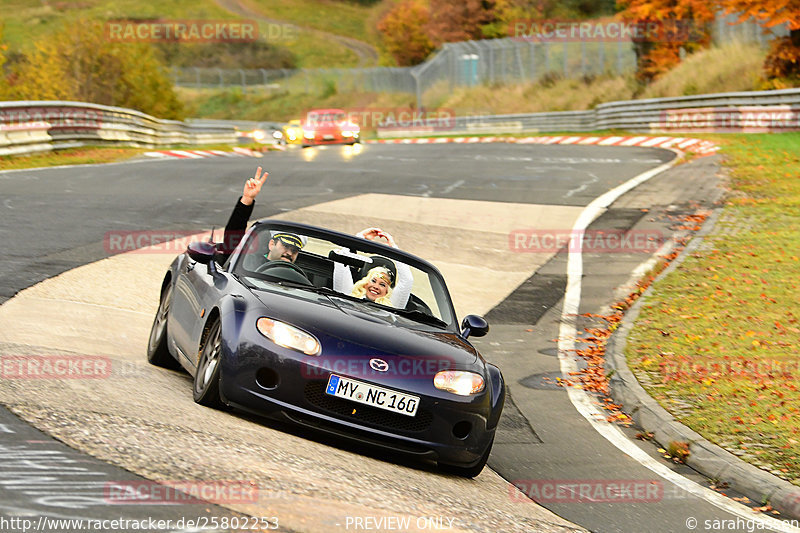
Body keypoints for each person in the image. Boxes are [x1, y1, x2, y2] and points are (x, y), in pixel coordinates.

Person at [217, 166, 306, 266]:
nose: (289, 253)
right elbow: (231, 241)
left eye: (294, 250)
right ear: (272, 244)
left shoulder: (299, 278)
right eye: (285, 246)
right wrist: (247, 200)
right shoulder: (248, 264)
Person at [332, 227, 413, 308]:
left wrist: (394, 248)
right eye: (373, 281)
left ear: (387, 291)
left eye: (382, 285)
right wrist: (360, 238)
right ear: (365, 284)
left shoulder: (392, 308)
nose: (376, 287)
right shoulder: (347, 297)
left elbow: (407, 280)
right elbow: (341, 262)